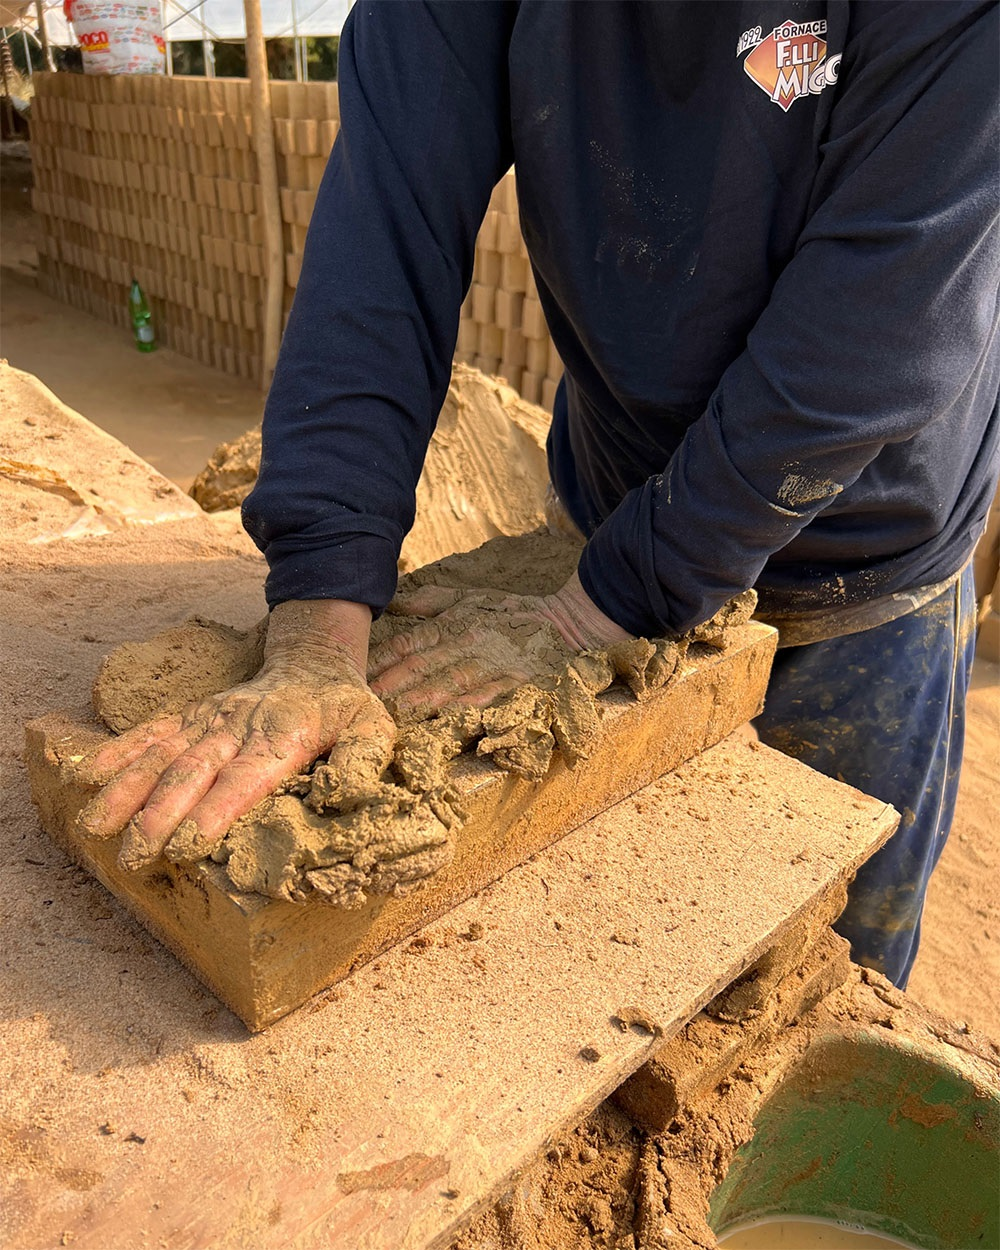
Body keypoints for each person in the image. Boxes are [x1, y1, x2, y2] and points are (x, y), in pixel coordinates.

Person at [79, 2, 999, 988]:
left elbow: (876, 330)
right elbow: (382, 248)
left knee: (807, 983)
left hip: (858, 551)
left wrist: (599, 605)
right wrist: (315, 623)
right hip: (616, 486)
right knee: (604, 955)